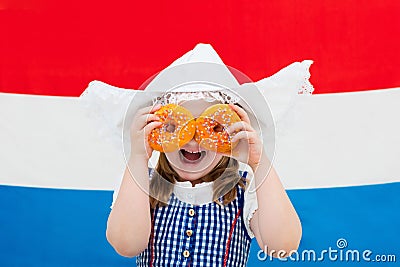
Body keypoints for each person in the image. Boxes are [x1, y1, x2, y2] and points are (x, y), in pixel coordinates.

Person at [80, 43, 313, 266]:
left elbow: (283, 246)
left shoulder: (245, 189)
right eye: (174, 127)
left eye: (212, 127)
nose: (192, 139)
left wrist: (259, 162)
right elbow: (126, 245)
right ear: (156, 132)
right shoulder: (142, 182)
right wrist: (138, 157)